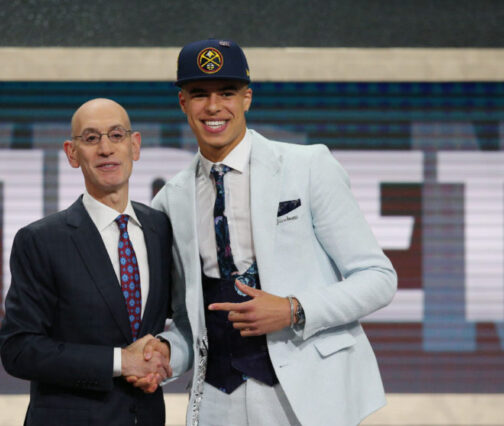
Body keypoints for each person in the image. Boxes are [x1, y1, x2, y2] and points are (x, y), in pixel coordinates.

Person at [137, 39, 398, 426]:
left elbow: (378, 279)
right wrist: (164, 355)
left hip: (308, 395)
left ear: (247, 98)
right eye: (199, 94)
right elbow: (189, 323)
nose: (213, 107)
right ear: (182, 103)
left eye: (226, 93)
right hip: (214, 400)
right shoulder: (169, 200)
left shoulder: (307, 167)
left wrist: (293, 309)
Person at [0, 98, 172, 426]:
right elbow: (18, 349)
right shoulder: (41, 240)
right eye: (91, 138)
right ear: (72, 153)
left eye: (117, 135)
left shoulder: (162, 229)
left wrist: (163, 353)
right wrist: (122, 362)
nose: (106, 148)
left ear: (135, 146)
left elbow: (185, 320)